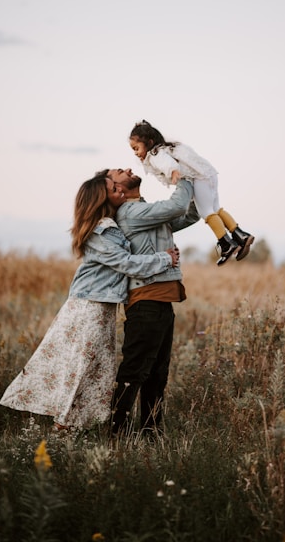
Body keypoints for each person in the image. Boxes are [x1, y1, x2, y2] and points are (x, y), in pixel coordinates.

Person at [0, 170, 179, 431]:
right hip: (89, 306)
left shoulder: (115, 223)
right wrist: (165, 259)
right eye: (113, 189)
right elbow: (125, 263)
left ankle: (77, 423)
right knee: (81, 365)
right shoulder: (99, 231)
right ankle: (64, 425)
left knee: (96, 367)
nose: (120, 190)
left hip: (103, 307)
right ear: (100, 198)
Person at [106, 168, 199, 436]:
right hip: (146, 300)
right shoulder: (130, 213)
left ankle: (151, 432)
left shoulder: (147, 212)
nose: (129, 169)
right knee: (134, 371)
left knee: (157, 374)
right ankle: (117, 433)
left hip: (161, 302)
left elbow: (189, 212)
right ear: (119, 190)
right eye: (119, 173)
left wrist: (204, 191)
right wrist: (183, 175)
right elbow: (177, 204)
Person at [128, 119, 255, 266]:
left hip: (198, 178)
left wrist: (174, 172)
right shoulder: (168, 148)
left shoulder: (155, 154)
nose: (136, 153)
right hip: (208, 173)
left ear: (149, 143)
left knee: (206, 212)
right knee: (216, 209)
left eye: (136, 148)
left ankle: (226, 243)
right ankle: (241, 235)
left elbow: (167, 164)